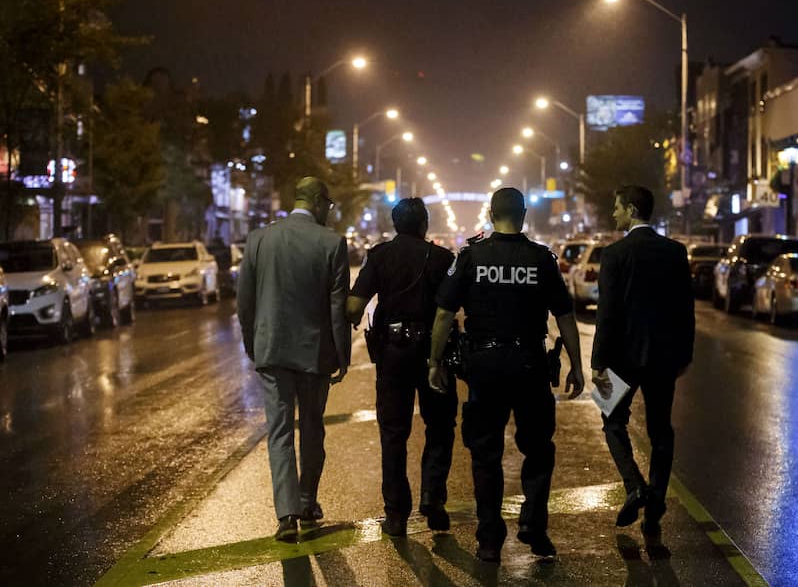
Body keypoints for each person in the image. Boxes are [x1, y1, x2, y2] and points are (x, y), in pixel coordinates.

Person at [428, 187, 586, 563]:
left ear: (489, 213)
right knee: (538, 449)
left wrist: (435, 361)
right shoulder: (542, 259)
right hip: (530, 364)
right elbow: (564, 316)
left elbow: (443, 314)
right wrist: (578, 365)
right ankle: (533, 524)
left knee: (485, 454)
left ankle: (489, 539)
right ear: (525, 214)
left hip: (484, 367)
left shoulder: (470, 257)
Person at [237, 177, 351, 542]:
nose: (328, 212)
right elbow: (337, 309)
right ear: (318, 202)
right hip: (314, 354)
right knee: (312, 428)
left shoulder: (259, 239)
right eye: (327, 206)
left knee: (279, 432)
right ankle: (307, 500)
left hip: (272, 351)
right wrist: (342, 355)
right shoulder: (332, 243)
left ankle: (286, 514)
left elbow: (245, 304)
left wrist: (253, 344)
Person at [346, 198, 457, 537]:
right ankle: (433, 500)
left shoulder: (380, 256)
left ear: (395, 224)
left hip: (393, 353)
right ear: (425, 223)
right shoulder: (441, 258)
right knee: (440, 426)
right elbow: (453, 308)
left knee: (393, 433)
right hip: (432, 352)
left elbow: (354, 306)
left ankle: (396, 514)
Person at [591, 184, 695, 542]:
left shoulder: (614, 254)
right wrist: (685, 354)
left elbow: (606, 314)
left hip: (618, 356)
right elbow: (686, 308)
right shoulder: (675, 252)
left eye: (617, 208)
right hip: (664, 356)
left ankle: (634, 486)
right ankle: (655, 507)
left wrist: (597, 362)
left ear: (632, 210)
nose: (613, 214)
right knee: (660, 430)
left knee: (609, 420)